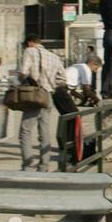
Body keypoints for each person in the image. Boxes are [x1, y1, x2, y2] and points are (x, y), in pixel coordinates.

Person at [17, 34, 66, 172]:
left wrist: (22, 81)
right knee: (44, 132)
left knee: (25, 131)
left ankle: (28, 165)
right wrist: (50, 85)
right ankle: (44, 165)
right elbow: (63, 78)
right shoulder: (54, 56)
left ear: (29, 42)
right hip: (48, 96)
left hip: (34, 96)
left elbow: (23, 72)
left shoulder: (29, 51)